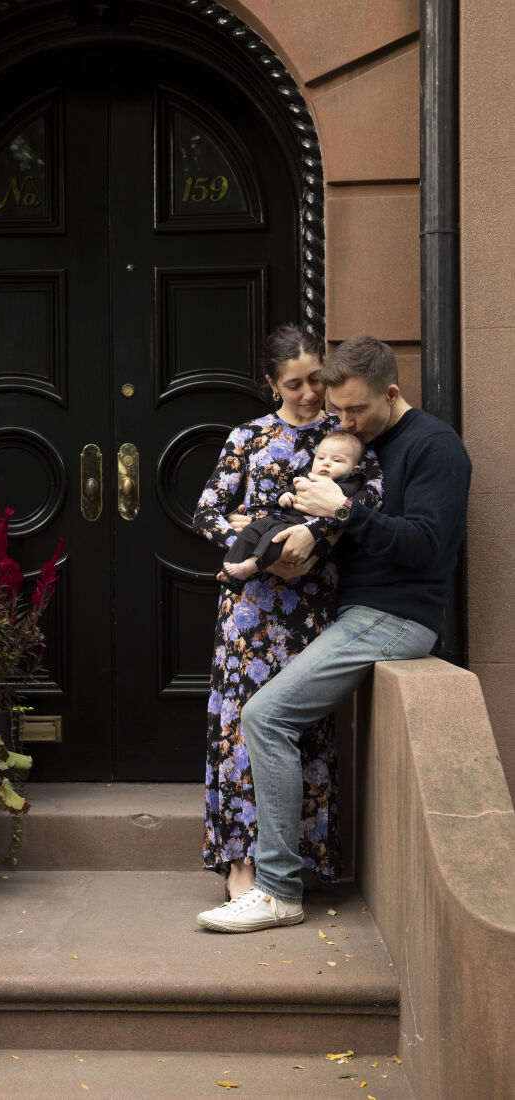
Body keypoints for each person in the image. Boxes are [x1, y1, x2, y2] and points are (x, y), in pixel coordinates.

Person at [196, 335, 471, 933]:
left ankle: (277, 890)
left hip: (394, 618)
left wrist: (341, 512)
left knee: (266, 717)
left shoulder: (434, 446)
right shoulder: (361, 446)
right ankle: (269, 880)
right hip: (351, 615)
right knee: (268, 718)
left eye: (354, 411)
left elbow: (426, 545)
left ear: (391, 393)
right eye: (336, 409)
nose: (341, 421)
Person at [193, 324, 383, 901]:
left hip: (311, 613)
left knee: (298, 733)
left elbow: (368, 498)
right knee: (239, 733)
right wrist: (249, 538)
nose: (308, 394)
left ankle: (292, 865)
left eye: (315, 382)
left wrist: (313, 532)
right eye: (294, 384)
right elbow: (206, 510)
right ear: (271, 383)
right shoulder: (247, 438)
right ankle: (240, 867)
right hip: (249, 615)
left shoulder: (343, 438)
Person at [218, 431, 368, 592]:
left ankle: (249, 567)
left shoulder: (349, 482)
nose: (326, 463)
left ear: (354, 468)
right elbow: (288, 490)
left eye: (336, 460)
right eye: (321, 458)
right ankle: (231, 568)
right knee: (251, 530)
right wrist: (285, 496)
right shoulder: (308, 475)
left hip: (303, 526)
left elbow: (351, 506)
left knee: (275, 538)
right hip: (283, 517)